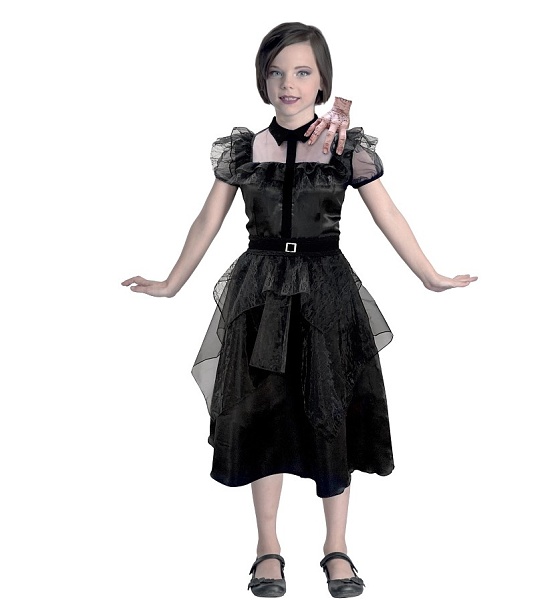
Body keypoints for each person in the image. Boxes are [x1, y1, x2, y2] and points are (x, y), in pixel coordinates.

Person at [122, 21, 477, 598]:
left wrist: (429, 275)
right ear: (263, 81)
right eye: (277, 72)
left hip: (325, 292)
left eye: (302, 72)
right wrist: (171, 283)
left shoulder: (345, 149)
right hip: (260, 293)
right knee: (262, 413)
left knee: (329, 412)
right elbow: (209, 219)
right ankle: (268, 548)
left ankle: (337, 547)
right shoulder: (244, 150)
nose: (289, 83)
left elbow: (388, 214)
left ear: (321, 82)